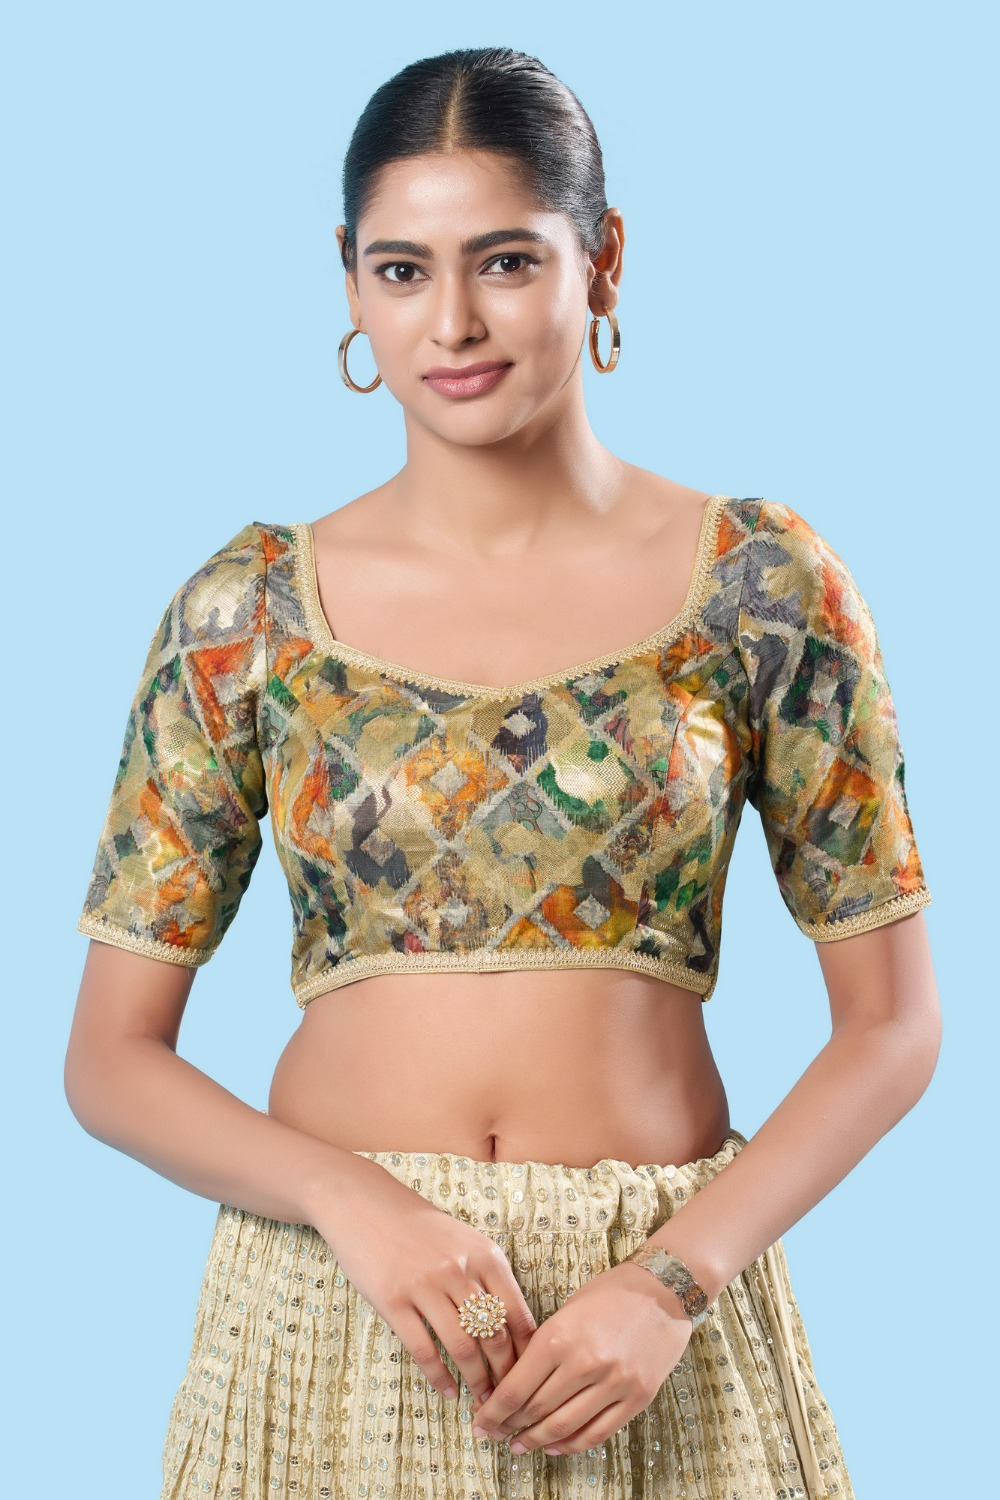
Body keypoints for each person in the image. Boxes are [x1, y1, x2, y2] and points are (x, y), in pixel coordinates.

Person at [64, 44, 940, 1500]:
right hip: (336, 1316)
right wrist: (352, 1203)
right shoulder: (246, 615)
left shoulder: (764, 587)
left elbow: (893, 1027)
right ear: (350, 284)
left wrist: (671, 1282)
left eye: (508, 261)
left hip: (653, 1328)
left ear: (604, 262)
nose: (454, 322)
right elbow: (110, 1060)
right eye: (403, 271)